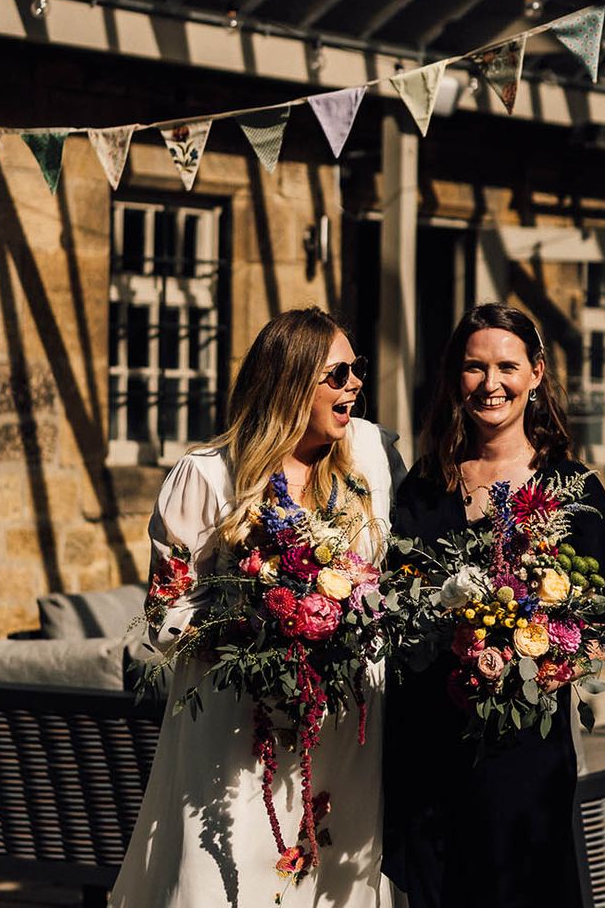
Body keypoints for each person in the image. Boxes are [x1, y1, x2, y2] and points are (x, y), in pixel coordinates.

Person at [112, 307, 397, 908]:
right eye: (338, 374)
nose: (355, 385)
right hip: (238, 732)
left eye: (357, 369)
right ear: (292, 384)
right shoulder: (208, 475)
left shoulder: (366, 455)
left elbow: (382, 584)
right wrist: (260, 622)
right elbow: (166, 614)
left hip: (346, 726)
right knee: (228, 877)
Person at [382, 303, 605, 908]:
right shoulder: (424, 487)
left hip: (525, 749)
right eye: (473, 367)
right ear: (454, 378)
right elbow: (393, 604)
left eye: (507, 367)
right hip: (432, 744)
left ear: (536, 374)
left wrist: (548, 658)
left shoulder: (574, 491)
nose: (490, 385)